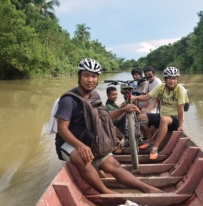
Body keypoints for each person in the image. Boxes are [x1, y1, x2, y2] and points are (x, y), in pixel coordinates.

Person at [54, 58, 164, 194]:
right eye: (86, 75)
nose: (90, 80)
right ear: (79, 76)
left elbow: (104, 116)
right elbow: (62, 129)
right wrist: (80, 146)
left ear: (97, 78)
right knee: (83, 161)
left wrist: (123, 110)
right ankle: (106, 192)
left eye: (93, 76)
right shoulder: (69, 100)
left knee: (115, 166)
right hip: (68, 143)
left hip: (89, 141)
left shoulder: (94, 96)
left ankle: (146, 188)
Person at [131, 67, 189, 160]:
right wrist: (134, 98)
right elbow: (147, 97)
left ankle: (155, 148)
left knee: (164, 119)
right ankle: (150, 140)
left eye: (174, 78)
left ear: (177, 79)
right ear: (165, 79)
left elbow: (180, 109)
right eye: (170, 78)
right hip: (162, 117)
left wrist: (181, 125)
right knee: (140, 117)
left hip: (174, 119)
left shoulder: (180, 90)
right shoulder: (161, 87)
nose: (172, 81)